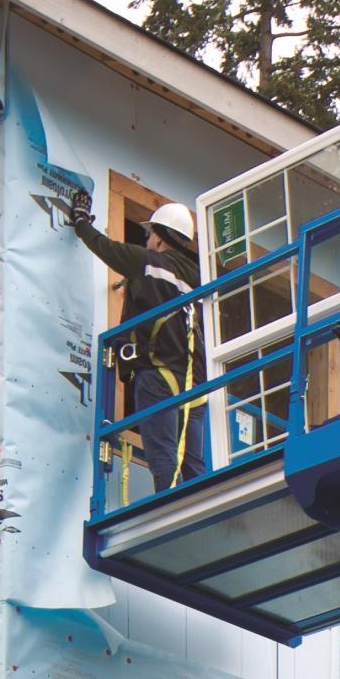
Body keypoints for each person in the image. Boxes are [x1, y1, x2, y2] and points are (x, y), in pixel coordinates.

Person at [68, 190, 209, 490]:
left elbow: (105, 247)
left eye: (149, 236)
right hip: (196, 385)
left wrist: (80, 222)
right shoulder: (198, 279)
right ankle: (203, 515)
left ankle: (170, 514)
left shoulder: (148, 261)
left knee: (163, 456)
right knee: (194, 465)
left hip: (159, 377)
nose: (147, 242)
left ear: (158, 239)